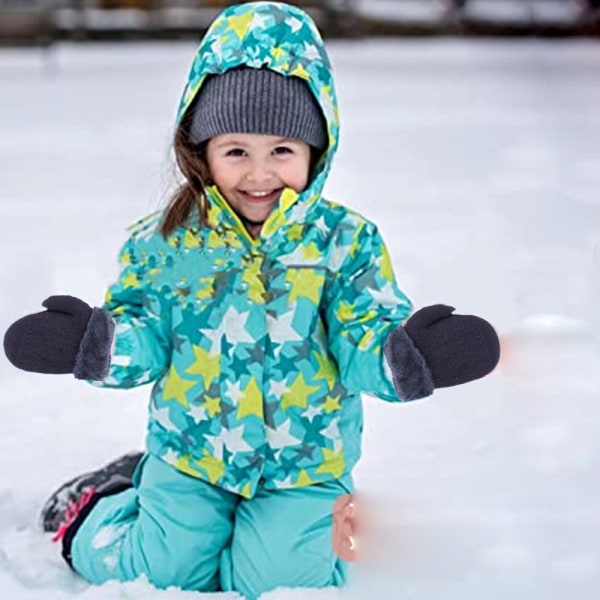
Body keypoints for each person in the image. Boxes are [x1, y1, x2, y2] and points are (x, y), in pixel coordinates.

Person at [3, 2, 500, 598]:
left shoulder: (345, 243)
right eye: (236, 150)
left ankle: (309, 531)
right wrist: (98, 346)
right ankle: (97, 506)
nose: (259, 174)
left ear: (316, 153)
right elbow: (144, 331)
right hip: (192, 456)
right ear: (201, 150)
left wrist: (405, 358)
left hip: (303, 467)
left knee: (279, 585)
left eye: (282, 151)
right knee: (164, 573)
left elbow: (363, 331)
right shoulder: (165, 242)